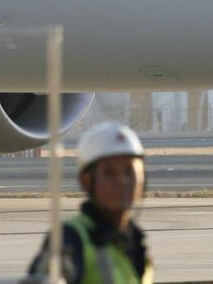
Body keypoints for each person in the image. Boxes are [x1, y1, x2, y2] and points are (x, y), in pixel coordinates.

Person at [29, 121, 153, 284]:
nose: (122, 181)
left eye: (130, 172)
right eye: (109, 173)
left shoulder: (135, 241)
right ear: (86, 181)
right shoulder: (70, 239)